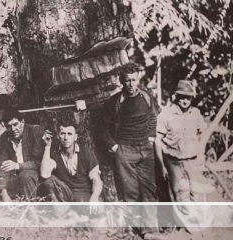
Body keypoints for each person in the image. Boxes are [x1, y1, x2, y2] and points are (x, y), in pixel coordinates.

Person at [100, 63, 162, 239]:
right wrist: (113, 146)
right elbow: (102, 128)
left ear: (139, 79)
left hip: (145, 149)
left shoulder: (147, 98)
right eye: (127, 80)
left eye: (134, 80)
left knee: (149, 189)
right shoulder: (114, 103)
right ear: (121, 81)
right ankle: (133, 231)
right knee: (130, 192)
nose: (131, 84)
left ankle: (150, 231)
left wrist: (151, 137)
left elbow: (153, 117)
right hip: (125, 150)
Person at [156, 80, 209, 203]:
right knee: (181, 198)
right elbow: (157, 140)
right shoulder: (166, 114)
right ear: (176, 96)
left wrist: (202, 154)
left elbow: (203, 134)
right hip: (174, 162)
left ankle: (198, 222)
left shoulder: (195, 113)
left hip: (193, 161)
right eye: (182, 97)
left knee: (198, 196)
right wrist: (161, 165)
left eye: (188, 98)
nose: (185, 101)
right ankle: (183, 222)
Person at [41, 118, 103, 202]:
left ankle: (72, 213)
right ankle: (64, 212)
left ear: (75, 137)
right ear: (58, 136)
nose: (66, 138)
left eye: (69, 134)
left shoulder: (86, 152)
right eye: (63, 133)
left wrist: (94, 197)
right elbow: (44, 174)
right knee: (49, 180)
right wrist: (47, 147)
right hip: (65, 195)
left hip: (83, 194)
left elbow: (96, 179)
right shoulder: (54, 153)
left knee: (97, 210)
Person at [0, 107, 45, 201]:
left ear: (22, 122)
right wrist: (3, 192)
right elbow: (1, 166)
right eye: (9, 126)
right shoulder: (5, 137)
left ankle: (30, 211)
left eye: (15, 124)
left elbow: (38, 162)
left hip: (35, 175)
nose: (13, 129)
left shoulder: (35, 131)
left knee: (25, 175)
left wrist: (17, 165)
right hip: (15, 176)